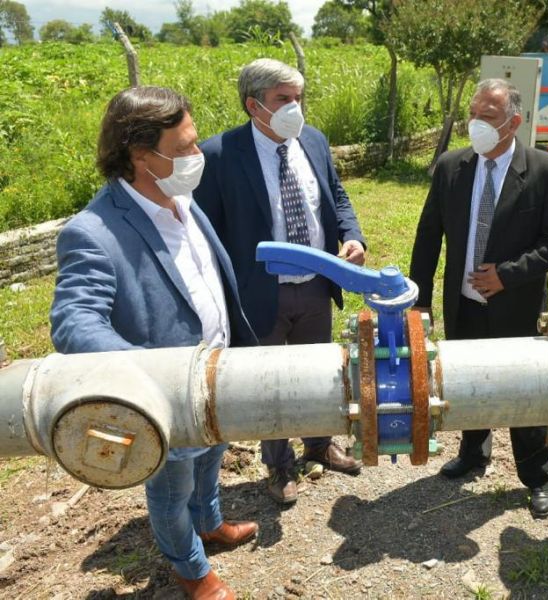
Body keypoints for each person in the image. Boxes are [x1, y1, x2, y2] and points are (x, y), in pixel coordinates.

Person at [50, 86, 260, 600]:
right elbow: (73, 319)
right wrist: (152, 374)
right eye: (184, 148)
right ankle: (192, 571)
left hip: (217, 373)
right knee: (170, 493)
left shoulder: (179, 197)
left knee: (213, 456)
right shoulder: (93, 232)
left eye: (195, 142)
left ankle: (210, 525)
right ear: (140, 155)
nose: (197, 156)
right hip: (166, 397)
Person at [194, 58, 366, 505]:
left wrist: (351, 235)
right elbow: (206, 231)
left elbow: (337, 196)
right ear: (255, 106)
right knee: (268, 382)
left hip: (315, 283)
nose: (295, 107)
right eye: (283, 100)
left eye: (298, 98)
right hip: (258, 294)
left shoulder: (313, 139)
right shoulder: (220, 156)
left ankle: (320, 444)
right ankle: (278, 465)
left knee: (319, 373)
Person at [409, 79, 548, 519]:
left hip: (517, 305)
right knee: (467, 383)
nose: (475, 124)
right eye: (473, 113)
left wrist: (507, 275)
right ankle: (472, 451)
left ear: (513, 122)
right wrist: (419, 299)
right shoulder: (451, 167)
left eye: (487, 116)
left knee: (528, 391)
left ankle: (537, 474)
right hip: (463, 304)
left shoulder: (545, 170)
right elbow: (429, 236)